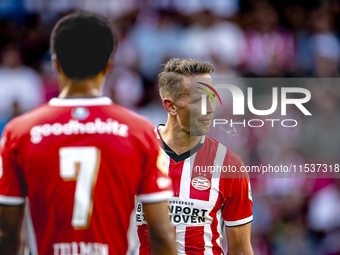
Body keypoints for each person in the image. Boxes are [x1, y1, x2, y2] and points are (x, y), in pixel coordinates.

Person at [0, 12, 176, 255]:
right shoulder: (140, 131)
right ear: (108, 66)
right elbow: (161, 233)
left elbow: (5, 233)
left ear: (56, 63)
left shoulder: (19, 132)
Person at [135, 58, 254, 254]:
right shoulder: (135, 155)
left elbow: (241, 250)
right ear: (170, 106)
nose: (211, 108)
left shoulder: (229, 164)